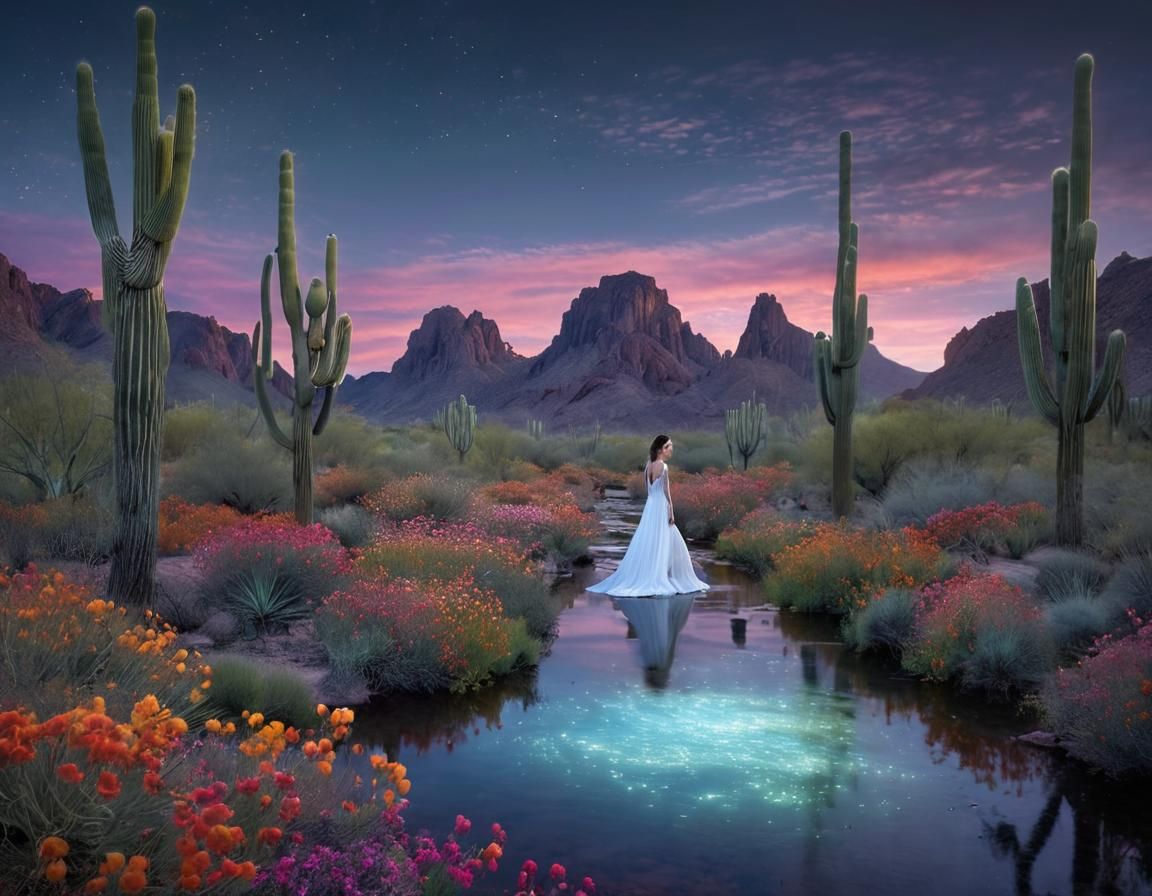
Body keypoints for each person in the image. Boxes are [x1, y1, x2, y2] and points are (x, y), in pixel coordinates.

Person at [587, 435, 709, 596]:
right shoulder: (663, 467)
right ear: (660, 449)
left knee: (649, 538)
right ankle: (658, 575)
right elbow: (667, 493)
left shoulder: (648, 466)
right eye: (668, 446)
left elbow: (650, 490)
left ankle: (648, 572)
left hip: (650, 506)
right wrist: (671, 511)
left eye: (671, 446)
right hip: (660, 506)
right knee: (662, 538)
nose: (671, 449)